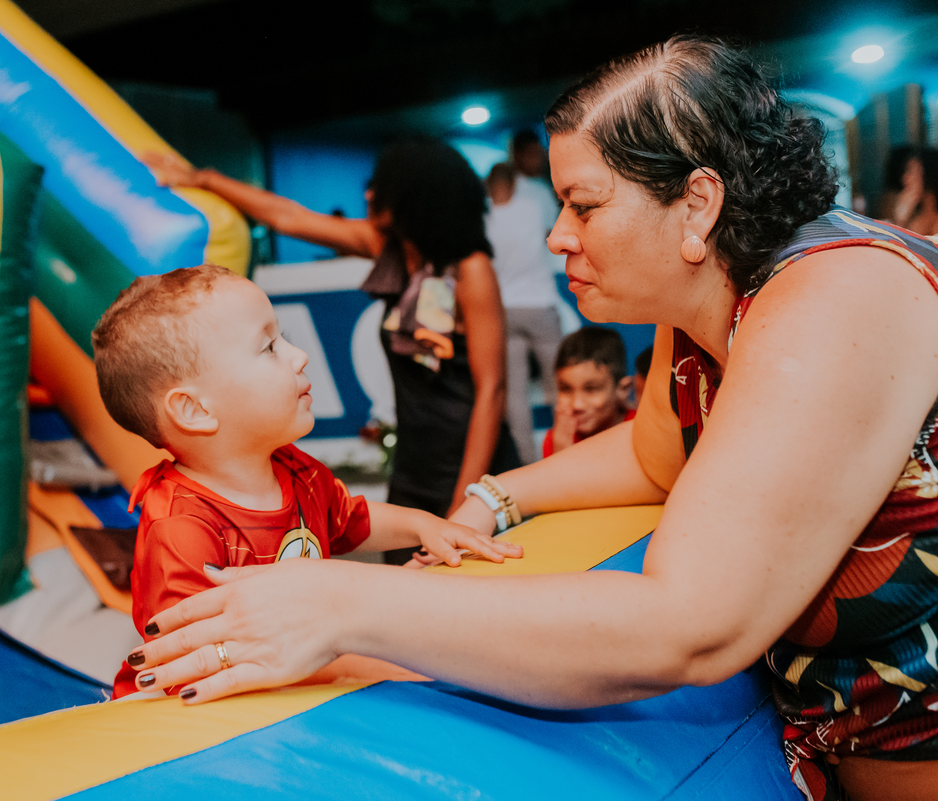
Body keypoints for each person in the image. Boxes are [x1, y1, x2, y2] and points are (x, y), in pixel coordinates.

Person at [128, 36, 938, 801]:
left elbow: (688, 625)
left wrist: (340, 604)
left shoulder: (838, 302)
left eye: (584, 206)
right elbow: (659, 456)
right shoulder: (703, 302)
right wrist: (500, 492)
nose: (557, 237)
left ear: (697, 203)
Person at [92, 265, 519, 698]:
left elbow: (351, 520)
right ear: (195, 411)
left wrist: (426, 526)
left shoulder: (294, 469)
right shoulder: (181, 529)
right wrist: (360, 663)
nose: (300, 356)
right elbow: (199, 660)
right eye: (270, 347)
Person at [144, 139, 520, 546]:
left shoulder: (470, 269)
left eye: (382, 185)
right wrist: (202, 179)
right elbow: (289, 218)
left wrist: (467, 499)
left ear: (416, 197)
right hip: (415, 462)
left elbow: (491, 390)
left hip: (471, 461)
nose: (369, 193)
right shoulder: (391, 249)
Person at [484, 162, 564, 464]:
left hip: (505, 310)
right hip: (540, 305)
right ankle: (563, 454)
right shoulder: (532, 206)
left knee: (515, 396)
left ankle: (529, 462)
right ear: (515, 184)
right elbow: (552, 233)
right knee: (559, 386)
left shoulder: (485, 218)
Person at [542, 327, 634, 458]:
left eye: (591, 389)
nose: (577, 405)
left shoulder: (643, 432)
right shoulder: (558, 439)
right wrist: (561, 453)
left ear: (623, 389)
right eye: (566, 389)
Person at [881, 145, 938, 237]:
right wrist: (901, 220)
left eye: (912, 172)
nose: (905, 177)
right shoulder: (914, 217)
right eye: (906, 171)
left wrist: (901, 221)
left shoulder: (932, 223)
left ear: (929, 176)